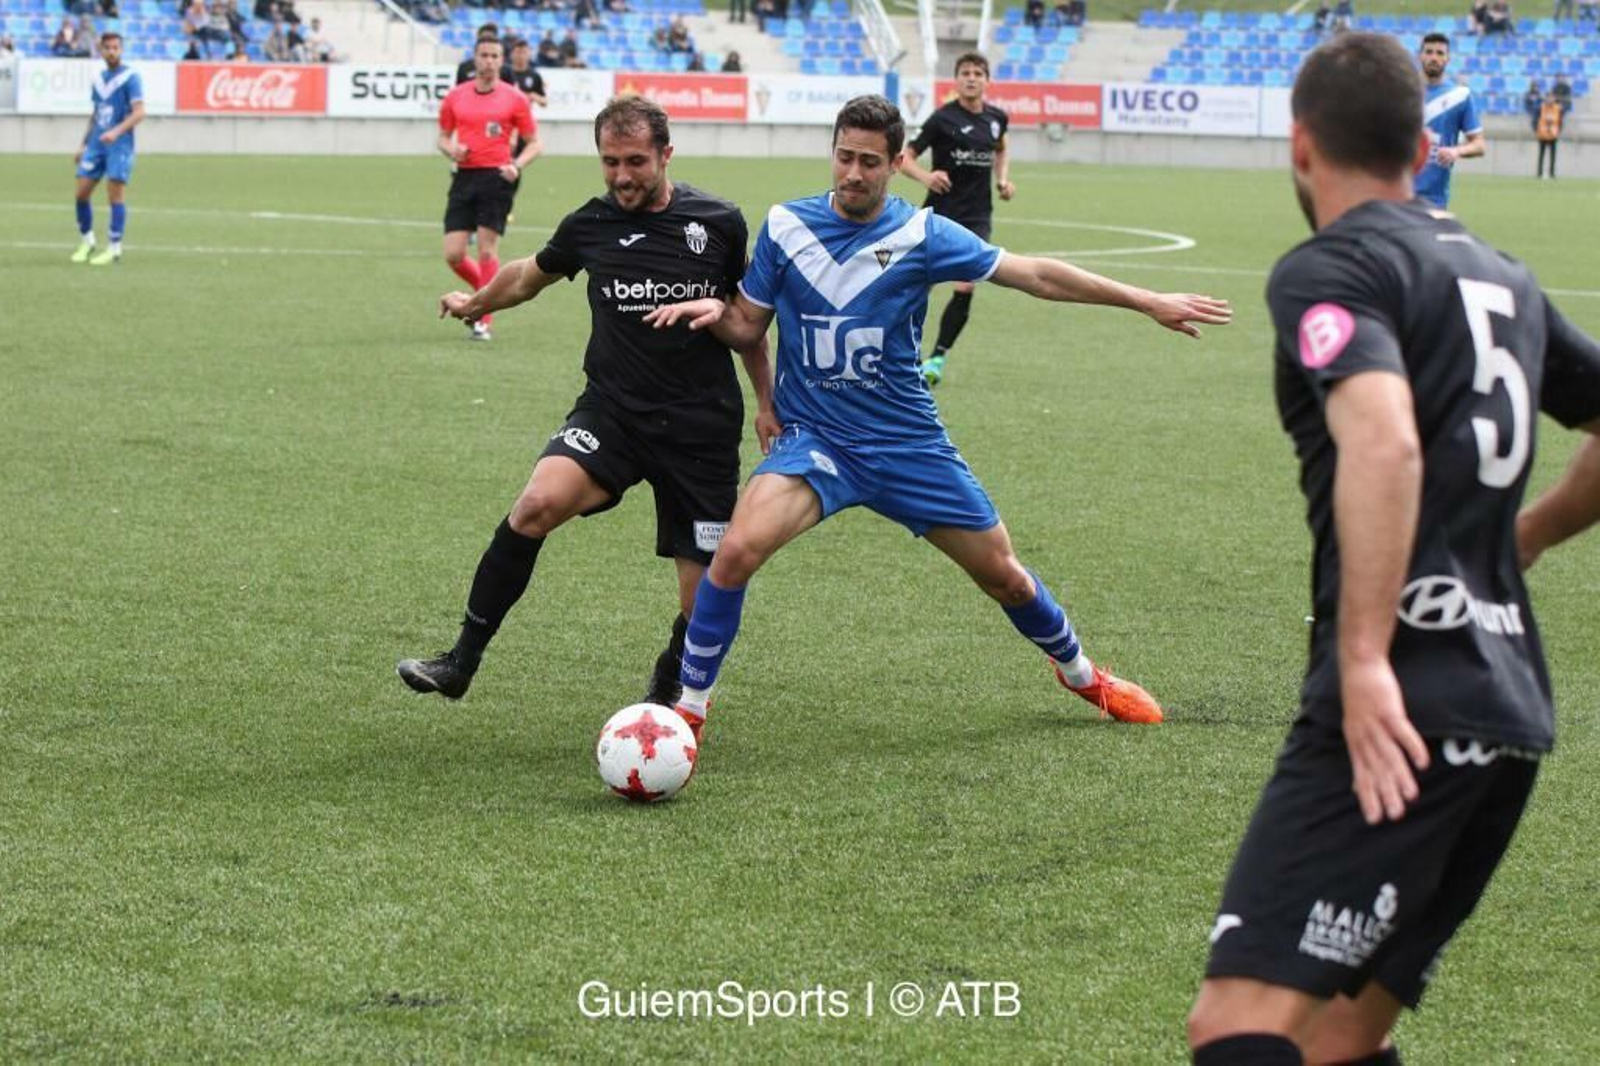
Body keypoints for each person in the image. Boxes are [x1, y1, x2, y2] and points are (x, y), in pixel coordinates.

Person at [1185, 32, 1600, 1066]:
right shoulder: (1502, 275)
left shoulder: (1333, 267)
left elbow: (1382, 438)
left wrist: (1367, 657)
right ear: (1422, 148)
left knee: (1236, 1026)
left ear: (1299, 146)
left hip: (1398, 708)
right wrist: (1526, 534)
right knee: (1339, 1036)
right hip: (1507, 712)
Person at [642, 95, 1231, 742]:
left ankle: (1082, 673)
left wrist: (1146, 301)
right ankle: (688, 711)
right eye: (844, 157)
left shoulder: (923, 234)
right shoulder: (786, 227)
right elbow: (747, 326)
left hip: (907, 444)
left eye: (870, 162)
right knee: (734, 552)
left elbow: (1035, 275)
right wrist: (714, 311)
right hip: (818, 442)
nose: (854, 173)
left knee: (1005, 577)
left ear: (898, 163)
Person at [400, 96, 777, 709]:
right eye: (610, 162)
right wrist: (476, 303)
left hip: (699, 429)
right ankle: (460, 661)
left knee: (703, 596)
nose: (622, 176)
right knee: (535, 505)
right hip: (614, 414)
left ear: (666, 154)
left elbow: (746, 322)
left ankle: (669, 679)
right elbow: (528, 275)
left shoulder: (718, 222)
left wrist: (766, 402)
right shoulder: (591, 224)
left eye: (635, 162)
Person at [897, 52, 1014, 387]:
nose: (971, 78)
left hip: (977, 216)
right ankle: (903, 355)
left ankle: (936, 358)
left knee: (966, 284)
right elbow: (905, 157)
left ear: (987, 80)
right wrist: (926, 177)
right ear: (957, 79)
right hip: (940, 212)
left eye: (978, 73)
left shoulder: (997, 118)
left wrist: (1002, 180)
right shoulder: (942, 118)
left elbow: (1001, 148)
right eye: (965, 73)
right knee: (917, 284)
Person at [437, 36, 539, 343]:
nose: (489, 61)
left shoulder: (515, 98)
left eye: (495, 56)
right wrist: (452, 149)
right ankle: (485, 293)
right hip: (464, 177)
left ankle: (482, 319)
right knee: (453, 254)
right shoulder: (456, 96)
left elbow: (535, 143)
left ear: (501, 60)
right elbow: (442, 137)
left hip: (496, 178)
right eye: (484, 55)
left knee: (486, 250)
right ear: (475, 58)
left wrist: (517, 165)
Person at [72, 32, 144, 266]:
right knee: (81, 193)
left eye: (116, 48)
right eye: (108, 48)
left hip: (119, 144)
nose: (112, 52)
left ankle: (114, 248)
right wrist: (83, 144)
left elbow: (139, 113)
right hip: (96, 144)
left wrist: (116, 132)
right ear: (101, 51)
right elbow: (96, 113)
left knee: (115, 196)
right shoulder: (99, 80)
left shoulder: (131, 77)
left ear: (121, 50)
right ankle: (87, 242)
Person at [1415, 34, 1484, 209]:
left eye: (1440, 53)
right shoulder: (1401, 91)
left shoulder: (1460, 96)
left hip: (1434, 199)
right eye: (1429, 52)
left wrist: (1456, 151)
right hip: (1398, 195)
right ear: (1420, 56)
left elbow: (1479, 145)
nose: (1434, 58)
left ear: (1448, 58)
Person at [502, 36, 547, 107]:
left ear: (529, 54)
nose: (521, 56)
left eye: (524, 52)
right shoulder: (504, 72)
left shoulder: (534, 75)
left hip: (524, 112)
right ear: (511, 54)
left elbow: (544, 102)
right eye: (518, 52)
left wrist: (534, 96)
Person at [1535, 87, 1569, 178]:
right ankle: (1539, 173)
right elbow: (1535, 119)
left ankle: (1552, 173)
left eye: (1551, 97)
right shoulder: (1541, 107)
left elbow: (1561, 121)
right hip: (1542, 134)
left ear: (1554, 98)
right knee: (1541, 155)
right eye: (1548, 97)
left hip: (1553, 134)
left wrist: (1559, 131)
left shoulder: (1558, 108)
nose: (1550, 99)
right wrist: (1536, 130)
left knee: (1553, 155)